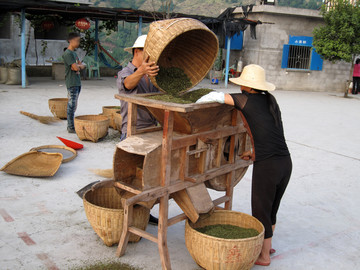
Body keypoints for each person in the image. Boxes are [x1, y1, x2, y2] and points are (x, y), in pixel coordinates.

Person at [196, 64, 292, 266]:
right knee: (272, 209)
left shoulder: (245, 99)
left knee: (261, 211)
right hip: (285, 162)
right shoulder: (270, 101)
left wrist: (197, 101)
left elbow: (216, 97)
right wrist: (254, 152)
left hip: (268, 167)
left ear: (246, 86)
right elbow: (271, 134)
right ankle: (269, 246)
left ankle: (264, 256)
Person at [116, 35, 160, 224]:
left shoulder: (153, 76)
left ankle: (144, 211)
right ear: (137, 52)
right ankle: (125, 216)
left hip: (151, 132)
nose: (151, 58)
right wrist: (141, 71)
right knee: (129, 179)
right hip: (132, 133)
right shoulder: (125, 72)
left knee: (147, 178)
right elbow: (127, 85)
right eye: (147, 54)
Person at [62, 32, 86, 133]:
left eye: (79, 41)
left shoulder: (74, 54)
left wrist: (78, 67)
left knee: (74, 104)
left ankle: (71, 125)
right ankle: (70, 126)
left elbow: (81, 66)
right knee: (71, 105)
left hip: (77, 82)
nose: (78, 43)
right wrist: (78, 67)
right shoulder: (67, 54)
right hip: (72, 82)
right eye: (76, 41)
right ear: (70, 41)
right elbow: (76, 67)